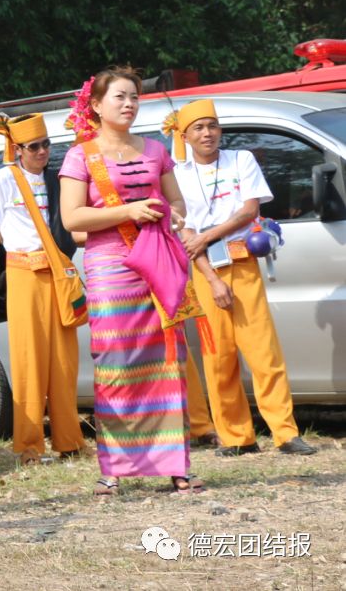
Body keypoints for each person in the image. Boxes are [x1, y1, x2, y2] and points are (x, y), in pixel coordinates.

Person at [59, 66, 203, 496]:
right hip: (109, 269)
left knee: (166, 363)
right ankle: (115, 466)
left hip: (156, 265)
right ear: (97, 106)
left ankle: (176, 463)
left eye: (134, 97)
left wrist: (173, 212)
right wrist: (128, 212)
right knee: (116, 364)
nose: (128, 104)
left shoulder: (156, 150)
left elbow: (176, 200)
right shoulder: (80, 155)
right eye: (119, 97)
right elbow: (73, 219)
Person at [169, 99, 317, 457]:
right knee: (218, 357)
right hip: (206, 272)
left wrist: (208, 235)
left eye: (213, 126)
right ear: (185, 136)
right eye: (199, 128)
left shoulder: (240, 160)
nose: (208, 133)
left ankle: (285, 432)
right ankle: (237, 437)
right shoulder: (177, 175)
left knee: (264, 352)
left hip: (244, 263)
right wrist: (212, 278)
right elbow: (186, 236)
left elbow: (249, 210)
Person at [0, 112, 86, 465]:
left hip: (58, 273)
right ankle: (29, 446)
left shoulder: (59, 180)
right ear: (17, 148)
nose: (42, 152)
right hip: (24, 273)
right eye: (34, 146)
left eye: (46, 144)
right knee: (28, 360)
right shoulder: (3, 179)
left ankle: (69, 441)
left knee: (64, 360)